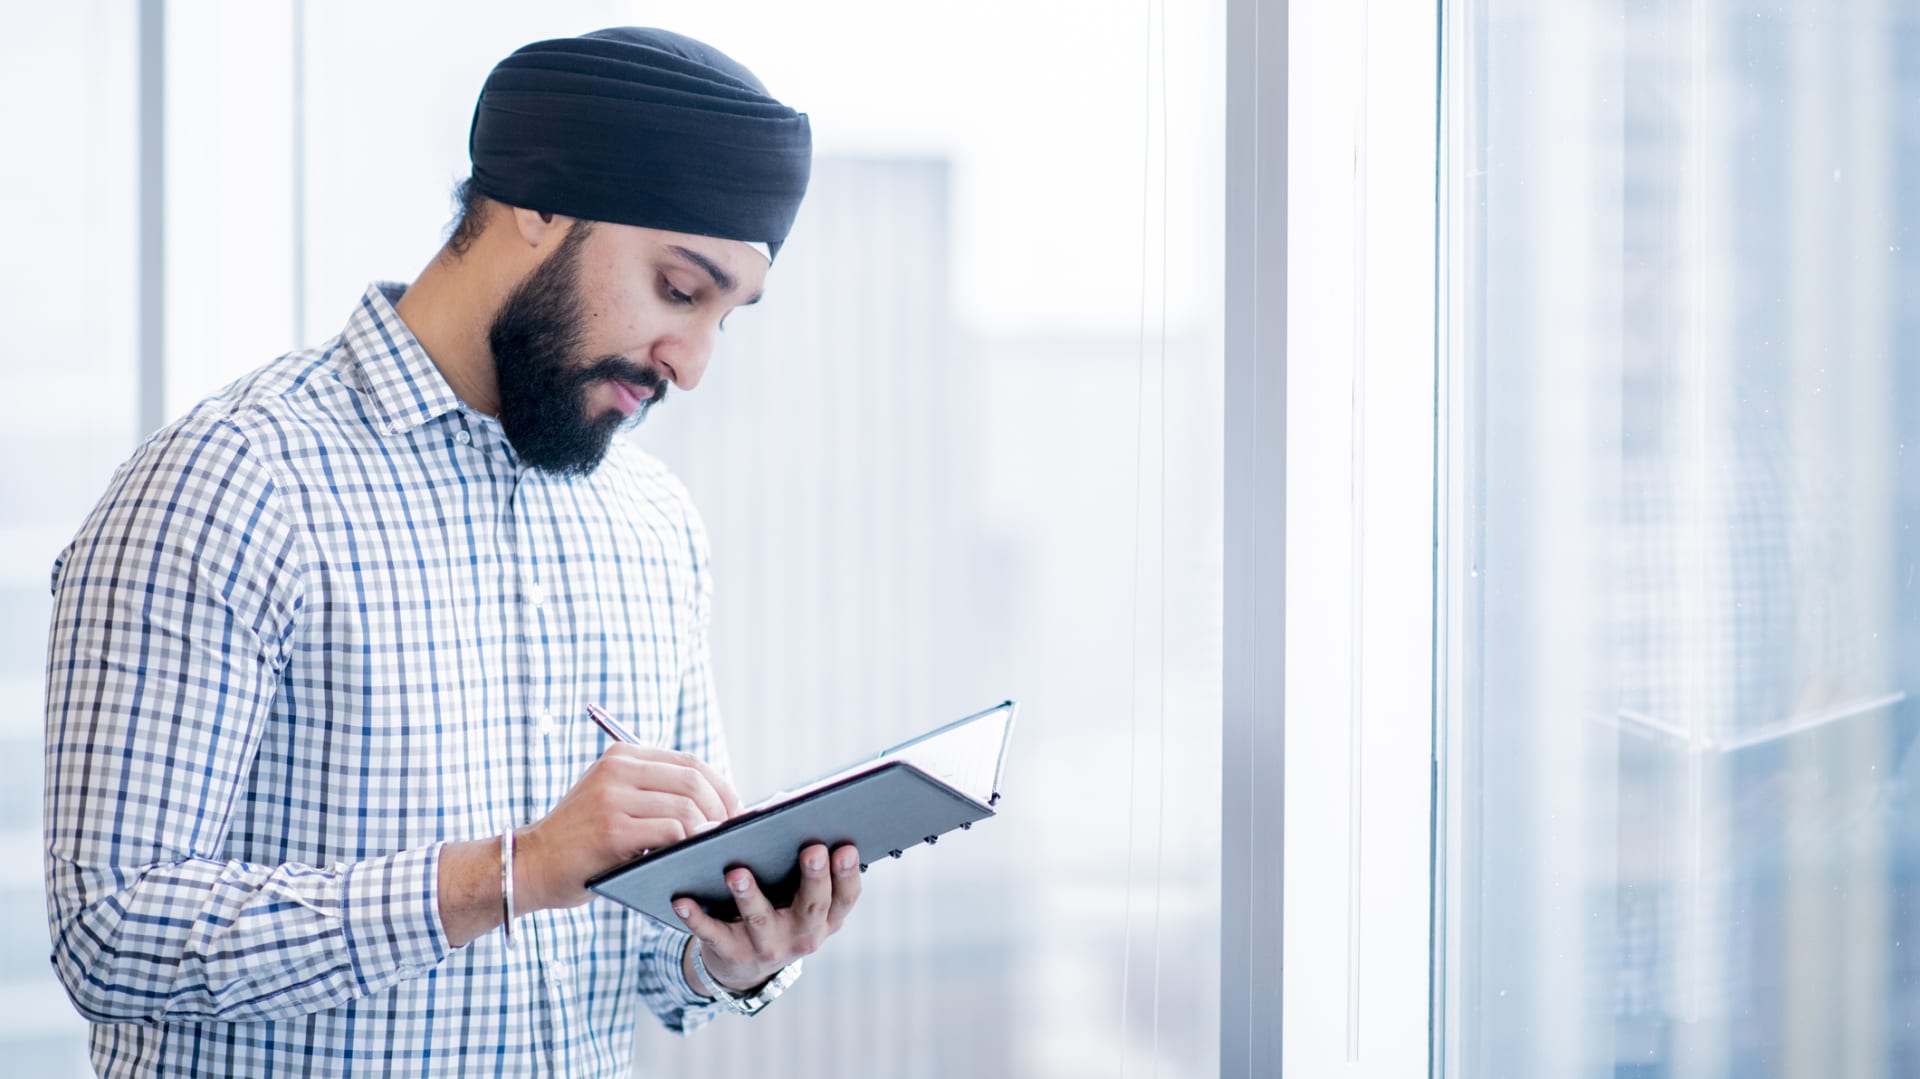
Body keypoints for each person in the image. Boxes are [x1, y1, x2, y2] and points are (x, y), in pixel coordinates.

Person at [42, 27, 860, 1077]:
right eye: (677, 288)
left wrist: (738, 949)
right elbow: (110, 936)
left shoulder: (654, 524)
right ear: (539, 204)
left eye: (725, 318)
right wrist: (512, 871)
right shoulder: (233, 482)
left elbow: (653, 962)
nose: (691, 364)